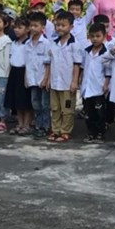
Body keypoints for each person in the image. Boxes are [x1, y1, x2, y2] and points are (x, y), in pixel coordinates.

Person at [46, 10, 81, 143]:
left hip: (67, 83)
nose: (60, 28)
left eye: (63, 25)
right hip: (55, 82)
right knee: (55, 108)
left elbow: (77, 64)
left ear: (71, 27)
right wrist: (48, 79)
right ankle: (55, 130)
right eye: (58, 25)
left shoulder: (74, 44)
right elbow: (50, 63)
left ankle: (65, 131)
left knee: (67, 109)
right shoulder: (53, 43)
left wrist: (74, 81)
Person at [79, 23, 112, 143]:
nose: (95, 39)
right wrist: (80, 80)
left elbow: (108, 71)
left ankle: (100, 133)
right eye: (92, 36)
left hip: (99, 87)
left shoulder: (106, 53)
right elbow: (83, 67)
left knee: (100, 113)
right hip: (87, 87)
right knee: (89, 113)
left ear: (104, 36)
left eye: (98, 36)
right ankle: (91, 132)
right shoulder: (86, 51)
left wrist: (106, 84)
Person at [24, 11, 52, 138]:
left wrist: (46, 79)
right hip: (32, 79)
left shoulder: (46, 43)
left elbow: (48, 63)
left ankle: (45, 126)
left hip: (42, 79)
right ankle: (38, 124)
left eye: (36, 26)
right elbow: (27, 63)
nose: (33, 28)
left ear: (42, 27)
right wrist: (26, 78)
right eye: (31, 25)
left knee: (44, 104)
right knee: (35, 103)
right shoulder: (27, 44)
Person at [6, 17, 33, 135]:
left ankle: (27, 124)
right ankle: (20, 123)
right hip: (14, 72)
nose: (16, 30)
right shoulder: (14, 43)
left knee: (26, 101)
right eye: (15, 27)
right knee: (17, 100)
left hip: (25, 72)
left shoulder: (29, 44)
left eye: (20, 28)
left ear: (27, 29)